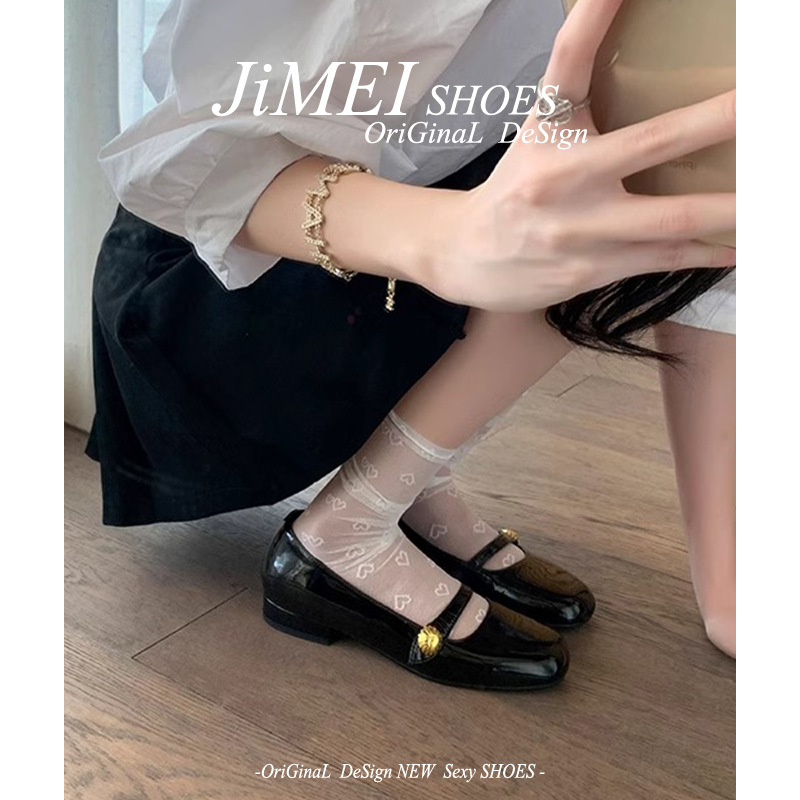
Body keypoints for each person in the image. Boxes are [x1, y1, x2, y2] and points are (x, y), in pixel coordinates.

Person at [87, 0, 735, 689]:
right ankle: (344, 532)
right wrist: (451, 239)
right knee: (597, 198)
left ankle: (403, 486)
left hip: (373, 274)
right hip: (207, 293)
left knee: (622, 183)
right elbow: (194, 152)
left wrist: (727, 586)